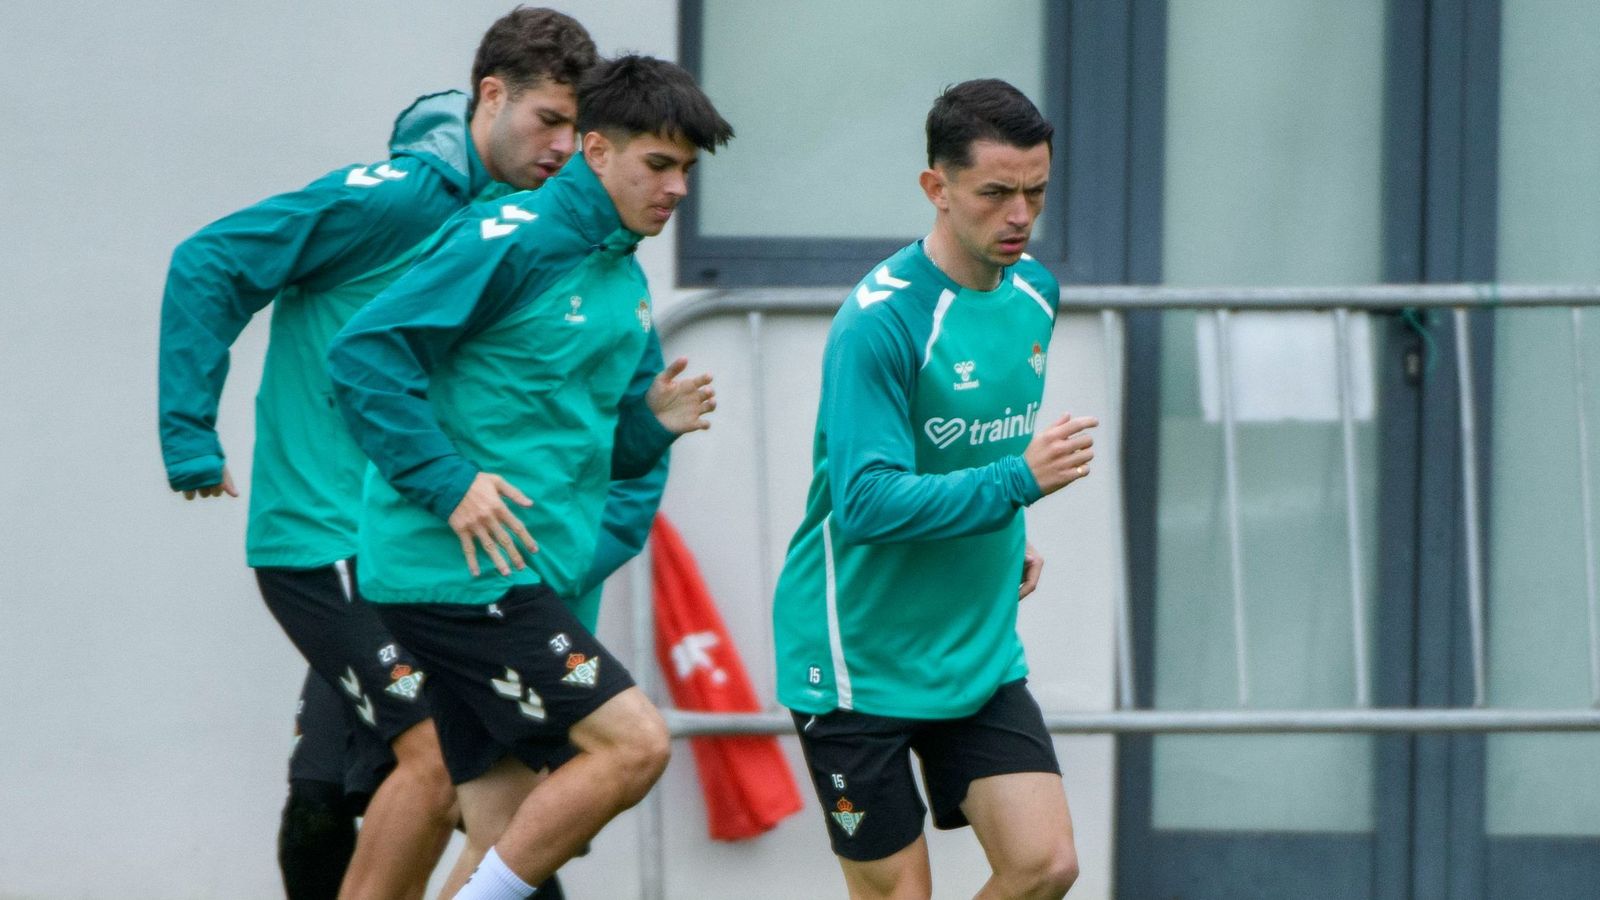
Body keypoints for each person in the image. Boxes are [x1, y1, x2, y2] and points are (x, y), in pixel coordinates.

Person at [156, 10, 657, 898]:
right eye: (545, 121)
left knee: (441, 792)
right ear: (490, 97)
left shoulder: (545, 238)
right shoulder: (400, 197)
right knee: (425, 764)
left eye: (574, 132)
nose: (559, 147)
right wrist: (192, 432)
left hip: (431, 551)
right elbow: (211, 260)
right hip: (334, 537)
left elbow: (587, 423)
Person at [327, 54, 733, 899]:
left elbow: (586, 448)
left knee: (507, 837)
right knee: (634, 746)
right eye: (658, 165)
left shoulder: (621, 276)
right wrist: (450, 483)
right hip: (461, 573)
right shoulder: (509, 237)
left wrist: (649, 428)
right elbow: (363, 355)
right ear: (594, 150)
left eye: (686, 171)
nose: (677, 189)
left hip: (529, 574)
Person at [770, 79, 1094, 900]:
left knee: (1044, 864)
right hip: (858, 664)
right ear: (936, 188)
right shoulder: (880, 321)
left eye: (1036, 192)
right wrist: (1016, 486)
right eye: (995, 193)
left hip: (974, 651)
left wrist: (1004, 537)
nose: (1020, 214)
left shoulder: (1035, 295)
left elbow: (968, 451)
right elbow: (869, 501)